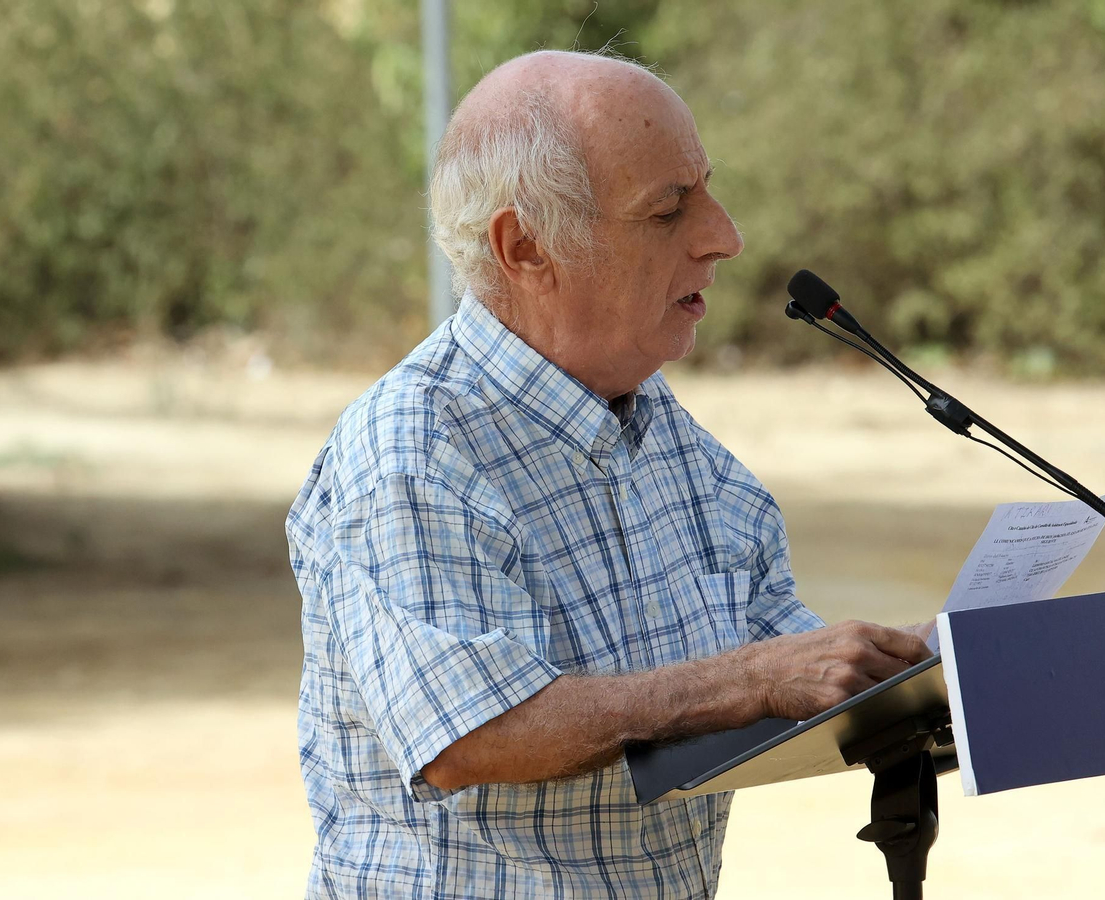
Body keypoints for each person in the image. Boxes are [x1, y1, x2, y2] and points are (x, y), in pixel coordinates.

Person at [285, 49, 931, 899]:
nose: (725, 237)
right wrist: (750, 681)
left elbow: (799, 671)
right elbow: (468, 734)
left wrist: (937, 666)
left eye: (706, 191)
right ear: (525, 248)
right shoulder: (414, 443)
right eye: (669, 210)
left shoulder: (675, 440)